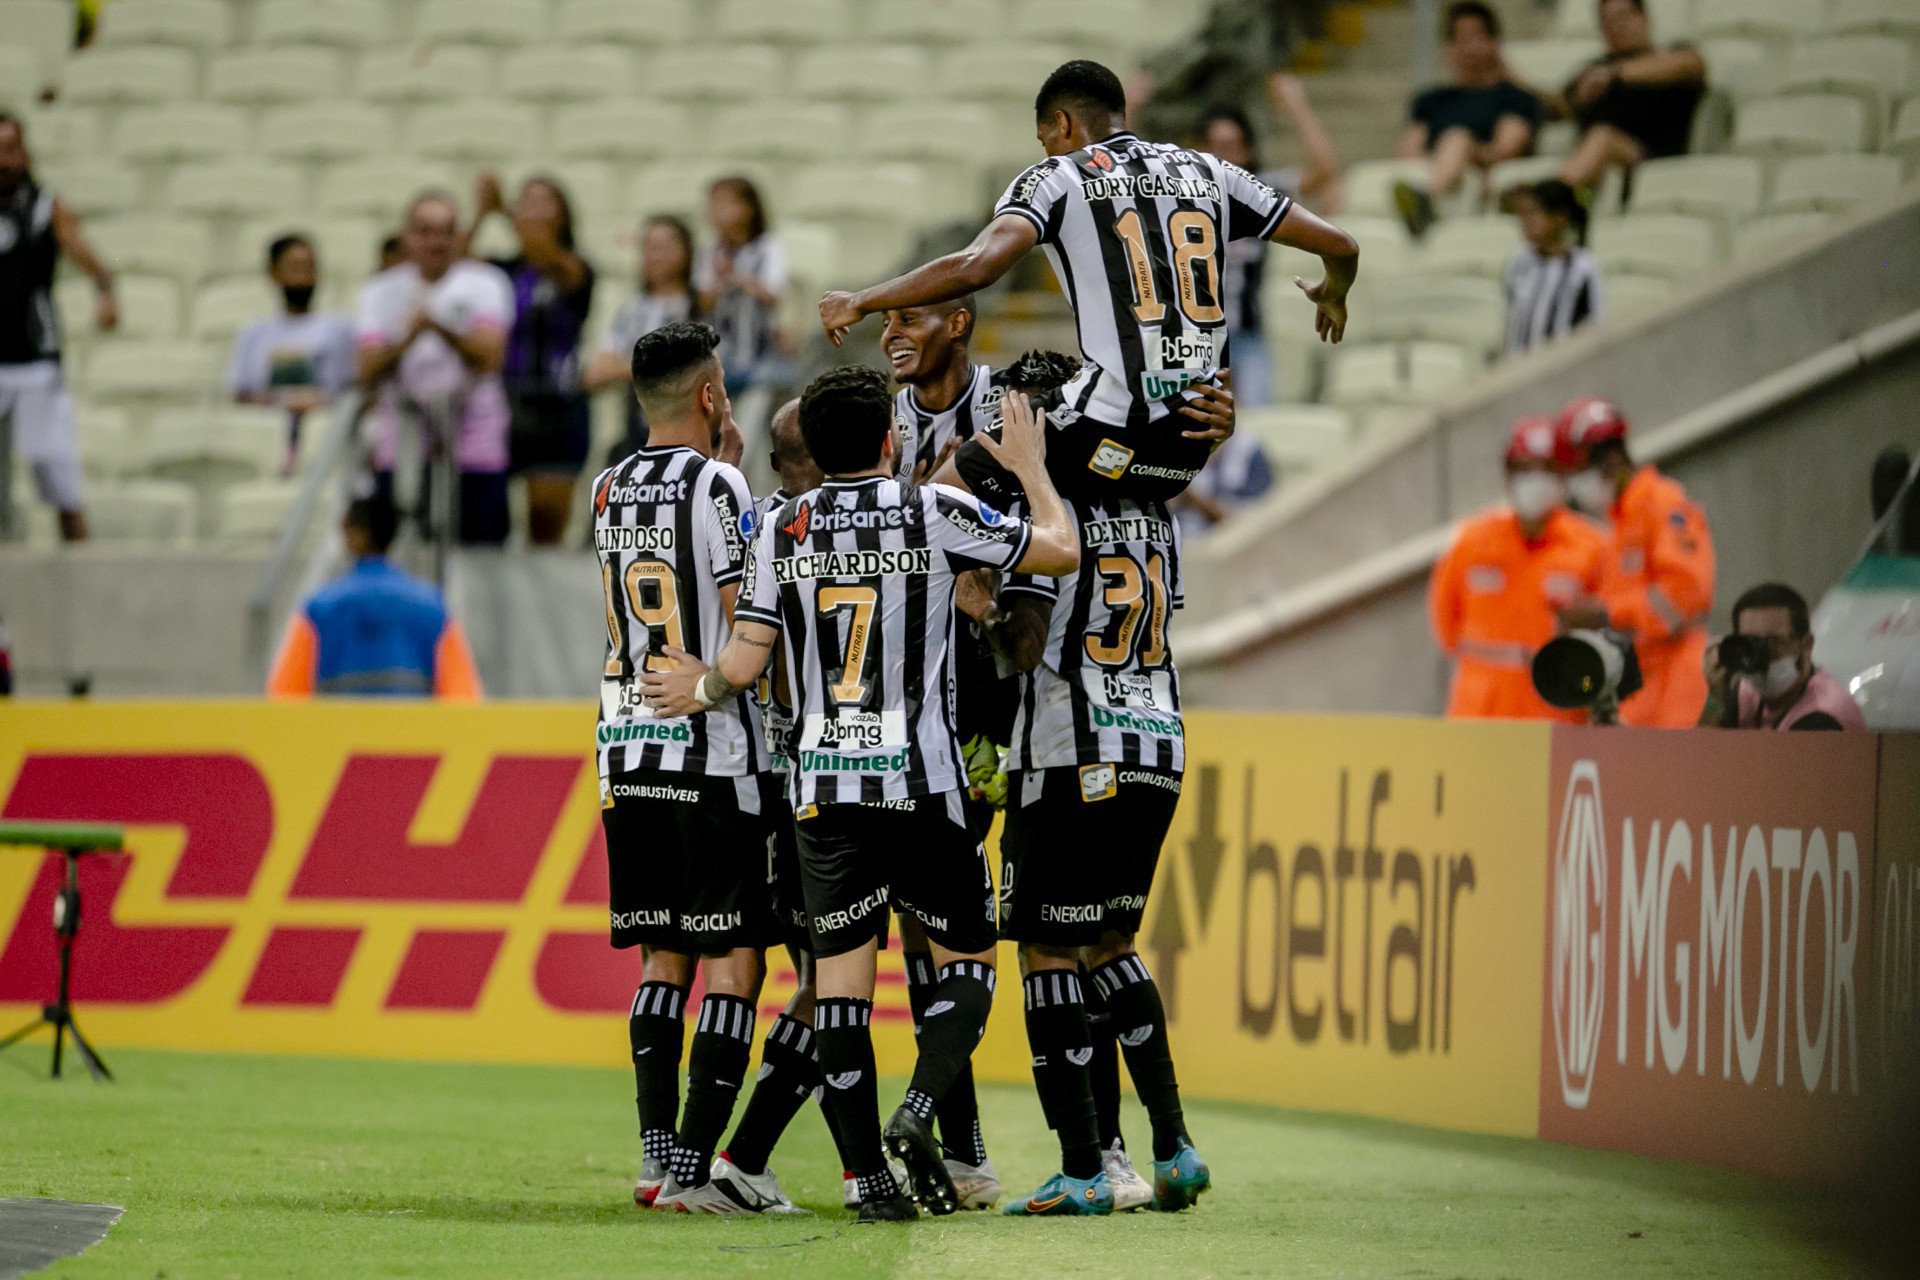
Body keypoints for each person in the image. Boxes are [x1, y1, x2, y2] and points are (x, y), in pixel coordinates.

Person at [641, 366, 1080, 1222]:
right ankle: (916, 1110)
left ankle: (870, 1185)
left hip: (822, 792)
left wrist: (698, 689)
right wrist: (1031, 469)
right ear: (889, 439)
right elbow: (1059, 548)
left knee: (840, 989)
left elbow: (743, 664)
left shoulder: (781, 527)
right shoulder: (931, 509)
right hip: (923, 783)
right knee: (968, 964)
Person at [819, 59, 1358, 508]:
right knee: (1048, 502)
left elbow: (978, 265)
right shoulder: (1211, 172)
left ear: (1062, 123)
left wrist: (862, 299)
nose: (1046, 151)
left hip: (1107, 431)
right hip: (1191, 446)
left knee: (934, 505)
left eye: (1045, 139)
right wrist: (1332, 293)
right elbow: (1342, 246)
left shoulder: (1060, 176)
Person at [591, 321, 775, 1215]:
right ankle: (696, 1170)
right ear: (709, 394)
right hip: (710, 748)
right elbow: (744, 620)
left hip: (627, 747)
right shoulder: (720, 485)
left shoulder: (607, 487)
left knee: (663, 956)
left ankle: (657, 1155)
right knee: (733, 960)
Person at [356, 191, 515, 546]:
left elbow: (491, 358)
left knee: (480, 551)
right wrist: (410, 337)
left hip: (476, 443)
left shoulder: (486, 283)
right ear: (407, 236)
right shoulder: (380, 291)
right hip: (403, 443)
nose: (437, 242)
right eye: (425, 231)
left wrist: (437, 327)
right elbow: (366, 367)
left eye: (446, 231)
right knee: (403, 549)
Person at [1428, 416, 1611, 720]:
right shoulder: (1471, 542)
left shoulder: (1593, 546)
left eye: (1546, 469)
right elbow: (1446, 625)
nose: (1535, 480)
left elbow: (1614, 626)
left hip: (1555, 712)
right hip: (1479, 713)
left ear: (1562, 475)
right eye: (1525, 469)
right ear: (1509, 474)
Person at [1555, 395, 1714, 728]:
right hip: (1642, 687)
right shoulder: (1620, 523)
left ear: (1612, 459)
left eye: (1579, 471)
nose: (1574, 484)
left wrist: (1607, 614)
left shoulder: (1662, 504)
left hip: (1677, 686)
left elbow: (1684, 595)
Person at [459, 173, 595, 546]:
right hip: (504, 405)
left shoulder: (575, 268)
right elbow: (450, 268)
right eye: (526, 201)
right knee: (486, 521)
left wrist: (505, 211)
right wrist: (480, 214)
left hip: (558, 408)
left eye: (542, 202)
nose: (531, 211)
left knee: (546, 526)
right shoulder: (504, 271)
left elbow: (546, 254)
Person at [1196, 72, 1344, 407]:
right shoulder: (1182, 198)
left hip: (1248, 334)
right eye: (1216, 148)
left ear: (1247, 151)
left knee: (1259, 420)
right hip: (1198, 339)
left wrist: (1297, 107)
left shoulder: (1260, 193)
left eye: (1232, 148)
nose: (1224, 158)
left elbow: (1323, 172)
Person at [0, 113, 114, 543]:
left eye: (10, 149)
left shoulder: (46, 207)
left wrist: (106, 294)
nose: (3, 161)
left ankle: (80, 556)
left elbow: (85, 255)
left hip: (35, 359)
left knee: (53, 465)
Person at [265, 494, 482, 698]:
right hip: (409, 727)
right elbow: (463, 699)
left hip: (339, 726)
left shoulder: (319, 609)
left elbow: (284, 696)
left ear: (354, 533)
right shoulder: (433, 608)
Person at [1392, 2, 1541, 239]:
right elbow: (1409, 152)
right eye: (1459, 40)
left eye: (1475, 38)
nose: (1468, 49)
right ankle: (1422, 201)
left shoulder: (1516, 98)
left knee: (1457, 139)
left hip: (1477, 173)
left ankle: (1427, 201)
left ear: (1493, 43)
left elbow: (1506, 149)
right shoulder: (1430, 100)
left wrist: (1469, 151)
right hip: (1436, 166)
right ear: (1449, 48)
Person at [227, 234, 357, 474]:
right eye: (295, 267)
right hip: (266, 444)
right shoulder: (253, 334)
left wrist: (318, 404)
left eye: (310, 267)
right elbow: (240, 395)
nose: (304, 276)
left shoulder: (339, 330)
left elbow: (349, 392)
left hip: (324, 444)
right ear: (274, 273)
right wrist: (282, 402)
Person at [1546, 0, 1706, 192]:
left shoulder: (1671, 55)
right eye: (1608, 22)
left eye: (1622, 17)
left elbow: (1691, 65)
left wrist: (1615, 74)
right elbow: (1556, 107)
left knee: (1603, 139)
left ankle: (1553, 197)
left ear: (1644, 17)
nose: (1616, 27)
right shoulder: (1593, 69)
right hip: (1595, 165)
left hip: (1652, 157)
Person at [585, 215, 699, 466]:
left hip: (698, 434)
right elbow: (596, 372)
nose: (655, 255)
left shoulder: (704, 307)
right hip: (642, 432)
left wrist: (633, 365)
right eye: (648, 246)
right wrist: (656, 365)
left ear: (686, 251)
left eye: (664, 246)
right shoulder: (632, 311)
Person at [1699, 583, 1867, 731]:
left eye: (1774, 642)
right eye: (1751, 642)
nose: (1763, 654)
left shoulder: (1823, 715)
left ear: (1806, 645)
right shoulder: (1746, 693)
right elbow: (1702, 752)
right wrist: (1715, 697)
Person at [1502, 180, 1602, 357]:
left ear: (1559, 218)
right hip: (1518, 364)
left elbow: (1595, 320)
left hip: (1561, 363)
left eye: (1534, 212)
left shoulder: (1583, 268)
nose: (1526, 220)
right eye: (1523, 213)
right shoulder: (1518, 263)